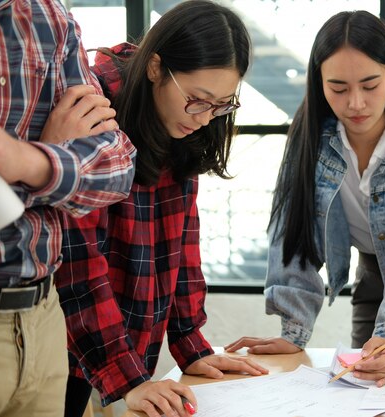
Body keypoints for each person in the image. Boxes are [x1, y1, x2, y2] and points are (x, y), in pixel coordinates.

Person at [226, 10, 385, 386]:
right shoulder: (308, 142)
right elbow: (292, 235)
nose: (356, 104)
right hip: (372, 287)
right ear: (319, 83)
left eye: (369, 84)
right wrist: (292, 333)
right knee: (367, 396)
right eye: (339, 88)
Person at [40, 2, 267, 417]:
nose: (205, 118)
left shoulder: (188, 117)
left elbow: (179, 239)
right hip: (64, 346)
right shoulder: (94, 110)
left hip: (126, 354)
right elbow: (76, 260)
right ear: (155, 68)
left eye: (222, 104)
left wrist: (190, 344)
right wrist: (126, 378)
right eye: (198, 100)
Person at [0, 1, 136, 416]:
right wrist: (56, 169)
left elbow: (118, 167)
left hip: (42, 318)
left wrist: (30, 159)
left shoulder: (50, 17)